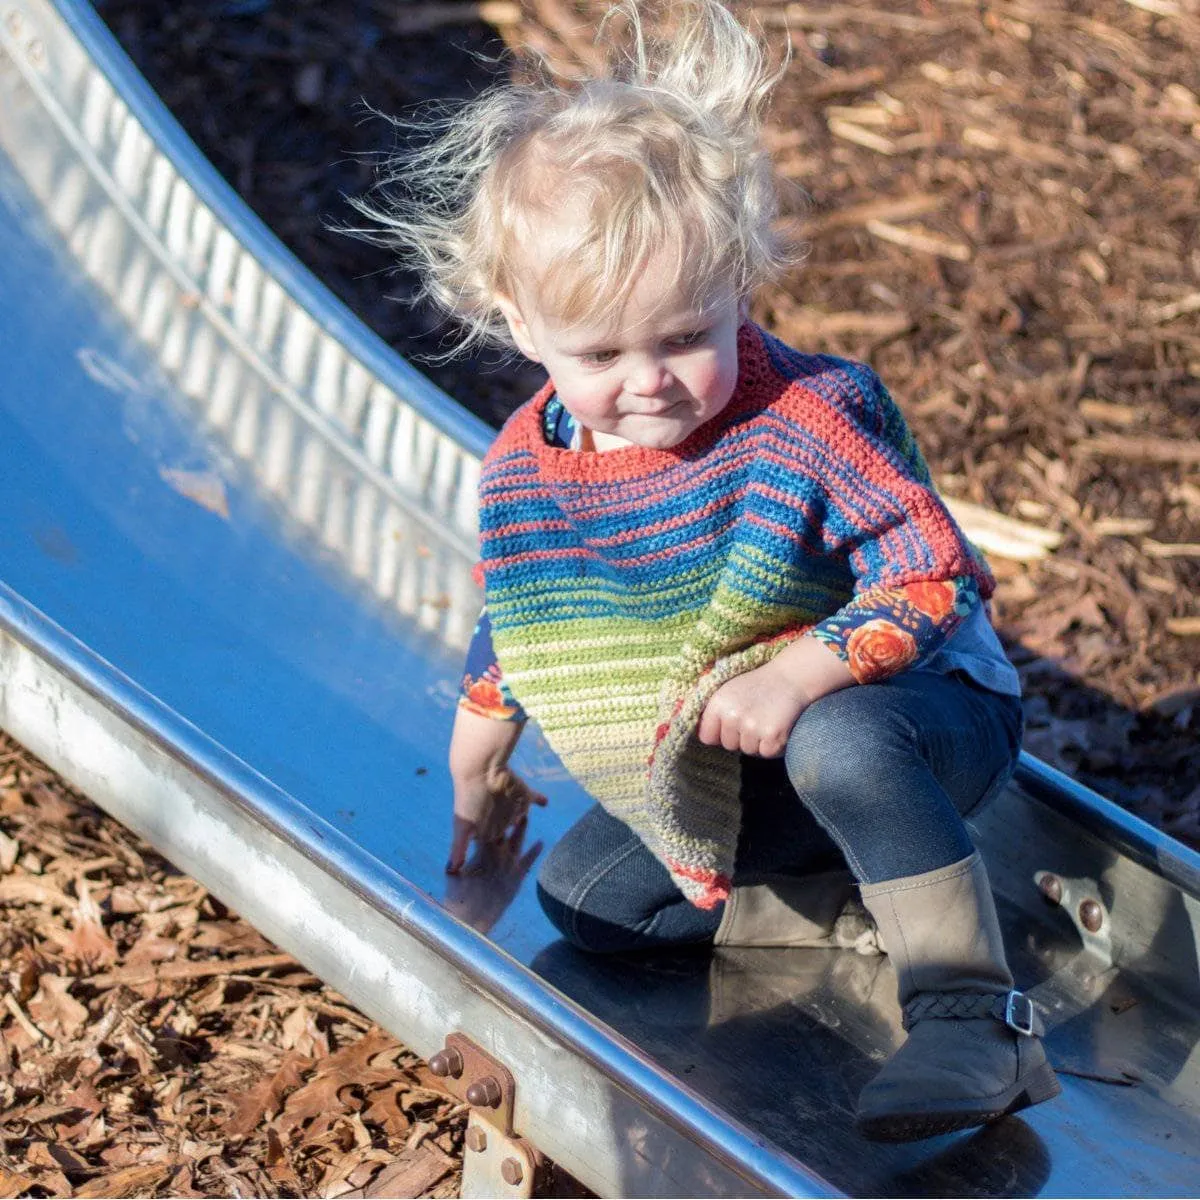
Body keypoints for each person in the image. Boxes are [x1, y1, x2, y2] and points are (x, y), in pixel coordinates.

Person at [357, 0, 1059, 1143]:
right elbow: (535, 610)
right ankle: (847, 908)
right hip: (736, 750)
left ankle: (976, 1017)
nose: (649, 382)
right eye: (599, 353)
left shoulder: (803, 420)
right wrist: (481, 750)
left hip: (918, 711)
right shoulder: (526, 468)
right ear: (517, 322)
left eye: (685, 334)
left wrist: (796, 678)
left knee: (844, 742)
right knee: (591, 902)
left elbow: (935, 576)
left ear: (739, 283)